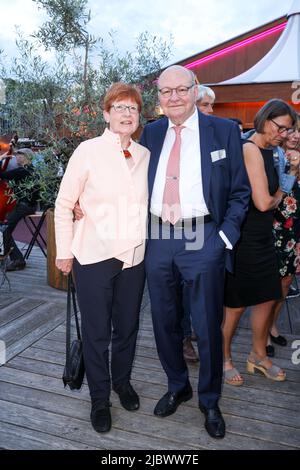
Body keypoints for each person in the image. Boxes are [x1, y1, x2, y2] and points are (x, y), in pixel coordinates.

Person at [140, 65, 250, 439]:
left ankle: (209, 399)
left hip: (204, 236)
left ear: (195, 90)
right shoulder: (150, 133)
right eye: (166, 91)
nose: (173, 97)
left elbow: (239, 192)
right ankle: (177, 386)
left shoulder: (223, 131)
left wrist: (224, 238)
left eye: (181, 90)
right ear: (159, 97)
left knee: (206, 325)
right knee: (164, 321)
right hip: (158, 236)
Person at [55, 83, 150, 434]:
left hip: (134, 258)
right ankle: (99, 399)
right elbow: (65, 204)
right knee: (97, 334)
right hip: (94, 256)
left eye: (133, 109)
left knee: (127, 328)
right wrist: (64, 253)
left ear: (139, 117)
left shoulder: (144, 155)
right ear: (106, 113)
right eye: (120, 107)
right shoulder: (87, 150)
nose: (127, 114)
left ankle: (121, 382)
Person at [223, 99, 298, 386]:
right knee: (236, 306)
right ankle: (225, 359)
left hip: (265, 236)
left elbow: (278, 198)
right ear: (265, 120)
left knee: (267, 297)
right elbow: (265, 202)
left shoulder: (273, 152)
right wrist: (289, 176)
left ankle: (257, 356)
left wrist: (286, 176)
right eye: (281, 127)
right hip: (245, 237)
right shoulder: (250, 149)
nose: (284, 134)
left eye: (289, 129)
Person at [268, 122, 300, 356]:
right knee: (269, 284)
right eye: (291, 129)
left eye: (299, 131)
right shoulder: (274, 156)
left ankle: (272, 324)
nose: (295, 135)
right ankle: (262, 335)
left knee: (286, 283)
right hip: (272, 229)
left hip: (295, 232)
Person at [0, 147, 38, 271]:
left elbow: (2, 175)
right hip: (29, 206)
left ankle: (17, 260)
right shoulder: (32, 169)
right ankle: (8, 256)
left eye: (18, 155)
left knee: (5, 229)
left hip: (24, 206)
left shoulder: (22, 171)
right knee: (5, 227)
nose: (16, 157)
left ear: (24, 157)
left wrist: (0, 159)